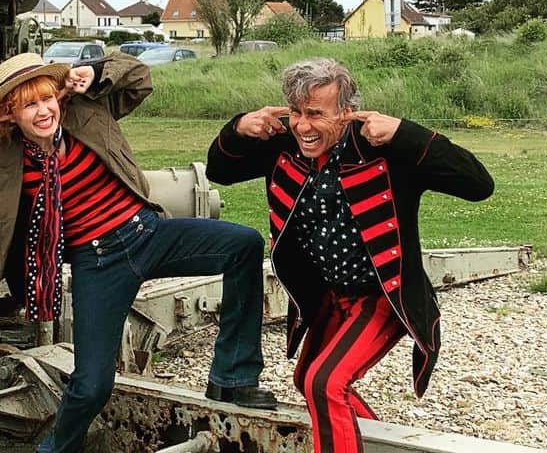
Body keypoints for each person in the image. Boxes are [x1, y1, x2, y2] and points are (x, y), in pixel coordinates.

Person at [0, 50, 274, 453]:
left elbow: (139, 79)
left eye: (48, 99)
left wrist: (95, 70)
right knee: (92, 385)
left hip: (146, 232)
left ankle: (232, 379)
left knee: (243, 244)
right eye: (30, 104)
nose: (44, 111)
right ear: (10, 112)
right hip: (97, 264)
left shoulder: (87, 110)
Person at [206, 57, 494, 453]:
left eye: (315, 114)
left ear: (346, 112)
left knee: (324, 383)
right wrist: (238, 129)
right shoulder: (283, 145)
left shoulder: (384, 149)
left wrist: (405, 133)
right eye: (295, 112)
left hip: (381, 297)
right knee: (309, 378)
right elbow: (219, 170)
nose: (303, 126)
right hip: (328, 298)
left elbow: (479, 184)